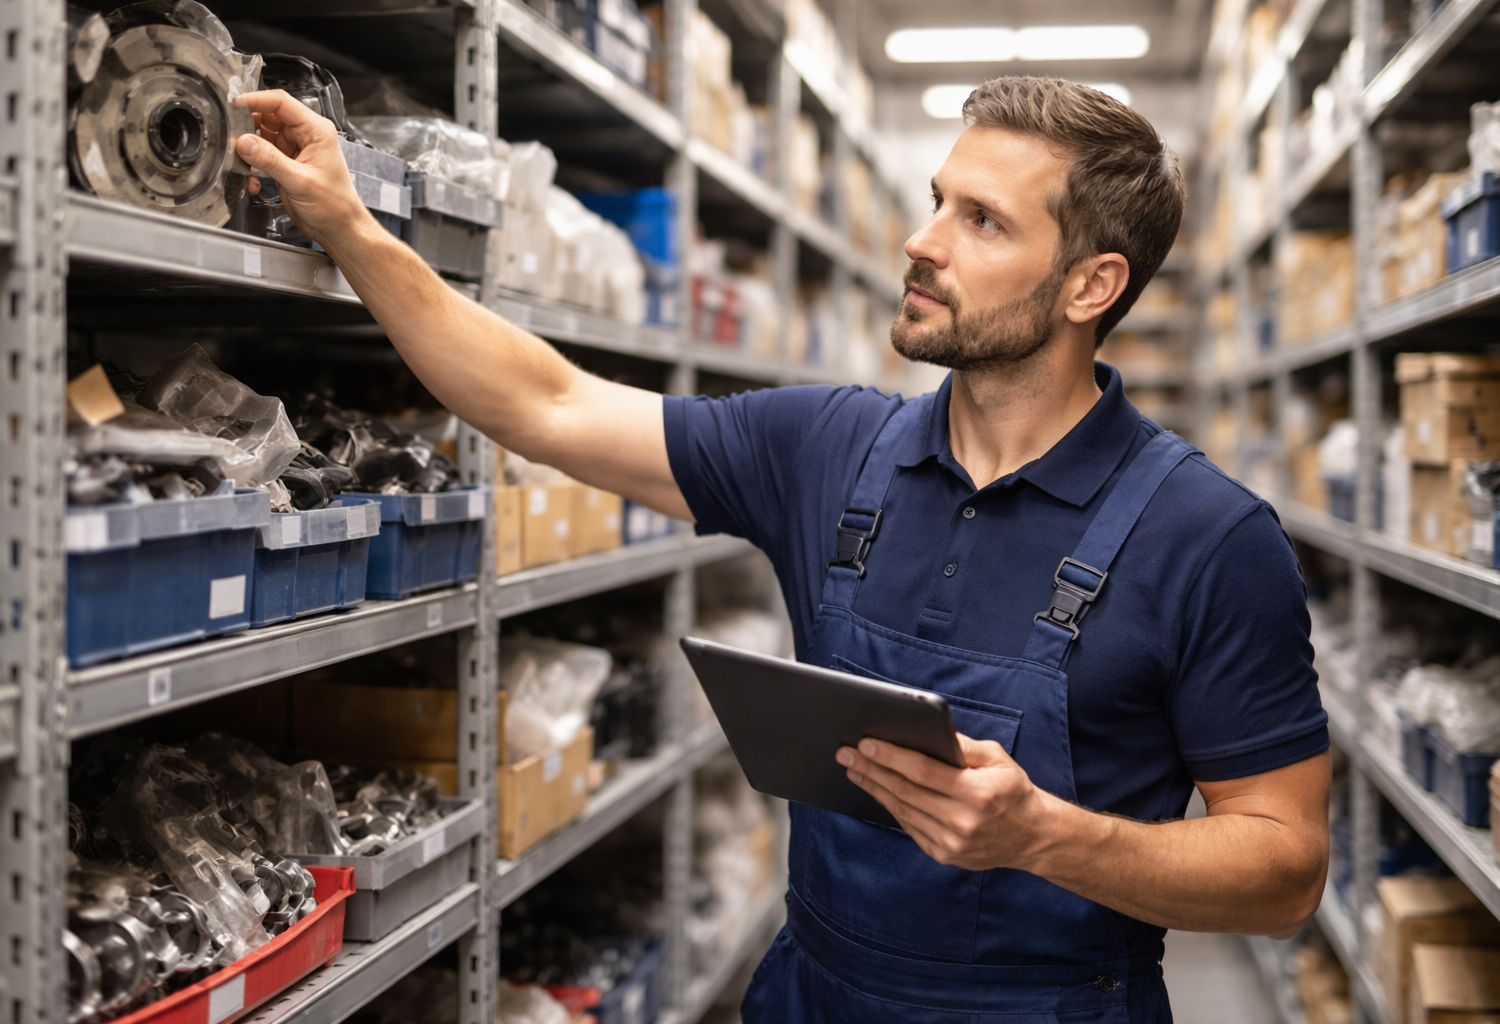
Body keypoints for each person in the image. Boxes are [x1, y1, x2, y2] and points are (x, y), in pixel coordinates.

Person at [233, 75, 1329, 1023]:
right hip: (818, 988)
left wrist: (1046, 836)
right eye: (936, 200)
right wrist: (353, 226)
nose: (924, 238)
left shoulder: (1210, 537)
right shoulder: (827, 450)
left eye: (984, 222)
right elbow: (548, 401)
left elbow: (1282, 868)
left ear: (1091, 285)